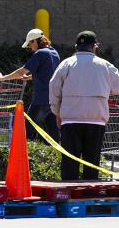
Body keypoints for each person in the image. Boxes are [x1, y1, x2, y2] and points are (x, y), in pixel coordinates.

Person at [49, 30, 119, 181]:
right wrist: (106, 89)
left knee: (69, 162)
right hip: (96, 120)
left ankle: (68, 196)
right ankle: (89, 196)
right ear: (94, 47)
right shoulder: (105, 65)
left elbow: (54, 88)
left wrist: (57, 113)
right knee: (92, 162)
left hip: (71, 120)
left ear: (76, 47)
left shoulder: (66, 64)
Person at [0, 28, 60, 143]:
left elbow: (21, 71)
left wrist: (3, 78)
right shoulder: (54, 52)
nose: (30, 48)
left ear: (35, 41)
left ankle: (26, 158)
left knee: (26, 130)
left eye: (30, 44)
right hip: (54, 100)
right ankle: (58, 157)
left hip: (41, 100)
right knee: (54, 133)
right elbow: (50, 73)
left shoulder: (40, 53)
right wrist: (30, 77)